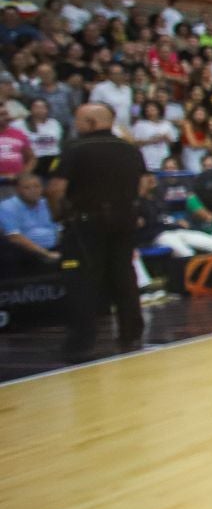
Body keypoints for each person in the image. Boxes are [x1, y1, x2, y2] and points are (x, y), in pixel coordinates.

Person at [48, 102, 147, 357]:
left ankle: (80, 343)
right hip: (124, 218)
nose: (76, 125)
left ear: (91, 123)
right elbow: (146, 182)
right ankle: (131, 334)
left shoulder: (76, 148)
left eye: (79, 120)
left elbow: (56, 188)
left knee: (84, 281)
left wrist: (59, 214)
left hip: (86, 221)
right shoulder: (129, 148)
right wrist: (129, 205)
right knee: (124, 276)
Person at [0, 170, 61, 273]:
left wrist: (63, 251)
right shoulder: (7, 206)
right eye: (27, 187)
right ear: (18, 190)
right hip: (25, 255)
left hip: (54, 251)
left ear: (42, 188)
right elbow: (15, 237)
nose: (33, 190)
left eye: (37, 186)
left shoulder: (47, 203)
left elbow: (58, 230)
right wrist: (46, 254)